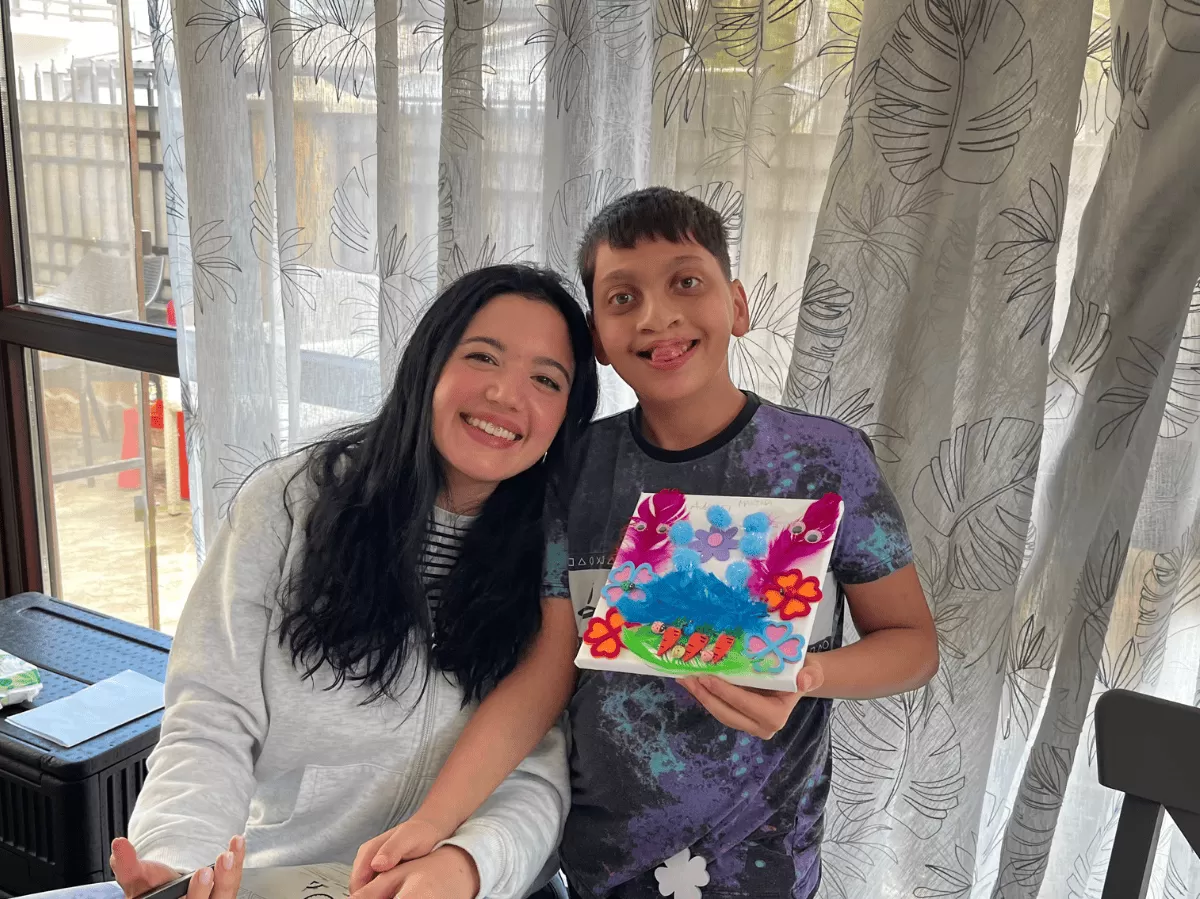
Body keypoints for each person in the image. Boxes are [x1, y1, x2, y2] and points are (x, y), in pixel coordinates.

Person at [360, 188, 938, 899]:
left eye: (686, 282)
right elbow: (546, 672)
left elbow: (913, 643)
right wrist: (435, 820)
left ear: (737, 304)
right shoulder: (574, 467)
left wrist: (809, 676)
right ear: (597, 339)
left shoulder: (826, 461)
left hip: (762, 871)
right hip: (602, 868)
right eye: (622, 296)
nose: (658, 315)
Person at [110, 264, 599, 899]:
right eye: (483, 356)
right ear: (429, 363)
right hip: (279, 879)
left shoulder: (560, 554)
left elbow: (538, 763)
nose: (507, 395)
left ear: (569, 414)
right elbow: (211, 717)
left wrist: (468, 866)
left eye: (545, 379)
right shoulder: (289, 505)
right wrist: (185, 862)